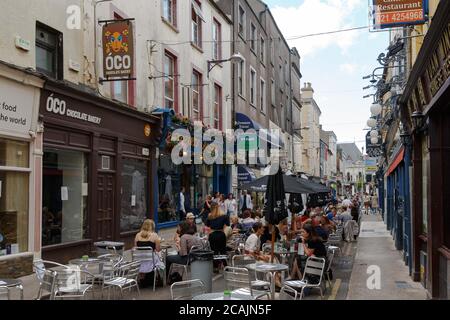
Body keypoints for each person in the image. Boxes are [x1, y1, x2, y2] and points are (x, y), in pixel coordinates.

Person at [134, 219, 165, 285]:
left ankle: (142, 279)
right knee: (161, 257)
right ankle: (160, 279)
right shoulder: (154, 235)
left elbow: (136, 248)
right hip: (151, 260)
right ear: (152, 226)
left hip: (140, 260)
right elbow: (158, 249)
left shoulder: (137, 235)